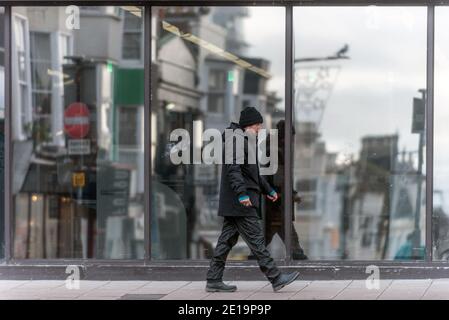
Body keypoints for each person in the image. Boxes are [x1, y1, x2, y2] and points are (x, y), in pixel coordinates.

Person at [205, 107, 300, 293]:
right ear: (248, 125)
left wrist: (268, 190)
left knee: (226, 241)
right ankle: (276, 277)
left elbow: (252, 172)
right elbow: (234, 168)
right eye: (257, 126)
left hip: (238, 201)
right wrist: (242, 194)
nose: (259, 129)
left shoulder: (244, 140)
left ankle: (213, 279)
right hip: (241, 202)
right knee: (257, 240)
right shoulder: (237, 140)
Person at [263, 120, 308, 260]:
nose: (293, 142)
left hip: (273, 200)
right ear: (285, 138)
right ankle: (296, 251)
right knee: (284, 229)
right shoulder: (277, 152)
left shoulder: (272, 149)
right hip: (277, 201)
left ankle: (257, 252)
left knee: (272, 231)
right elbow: (279, 179)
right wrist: (291, 194)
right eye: (292, 138)